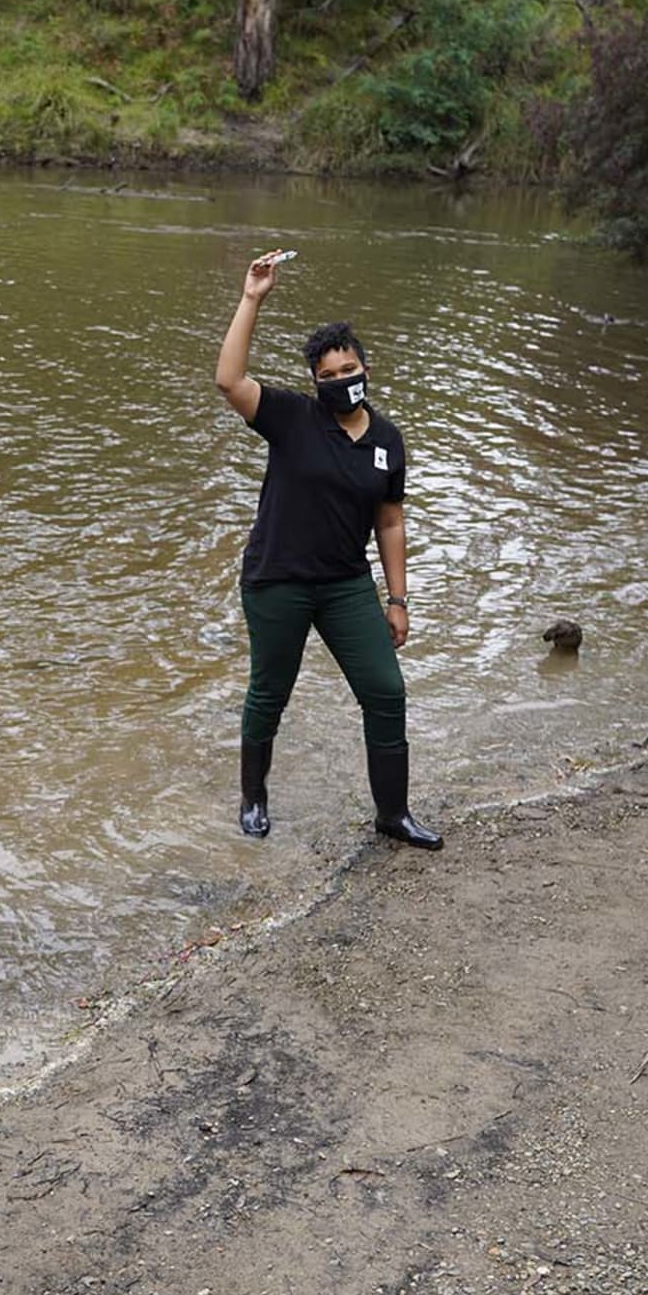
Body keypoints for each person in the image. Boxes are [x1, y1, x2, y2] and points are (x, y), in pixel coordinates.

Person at [214, 251, 443, 850]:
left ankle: (392, 814)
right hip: (278, 580)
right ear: (316, 380)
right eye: (329, 373)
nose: (341, 379)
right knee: (271, 690)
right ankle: (254, 798)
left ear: (367, 368)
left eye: (349, 368)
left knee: (385, 691)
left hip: (345, 584)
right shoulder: (292, 417)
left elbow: (390, 521)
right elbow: (229, 381)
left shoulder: (388, 440)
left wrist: (398, 598)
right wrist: (252, 298)